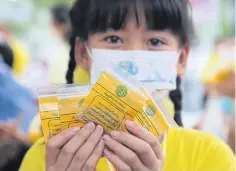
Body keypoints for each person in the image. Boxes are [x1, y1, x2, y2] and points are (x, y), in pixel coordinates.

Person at [20, 0, 235, 171]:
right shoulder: (49, 157)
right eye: (113, 39)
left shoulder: (209, 156)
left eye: (155, 42)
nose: (132, 57)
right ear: (82, 53)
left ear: (181, 59)